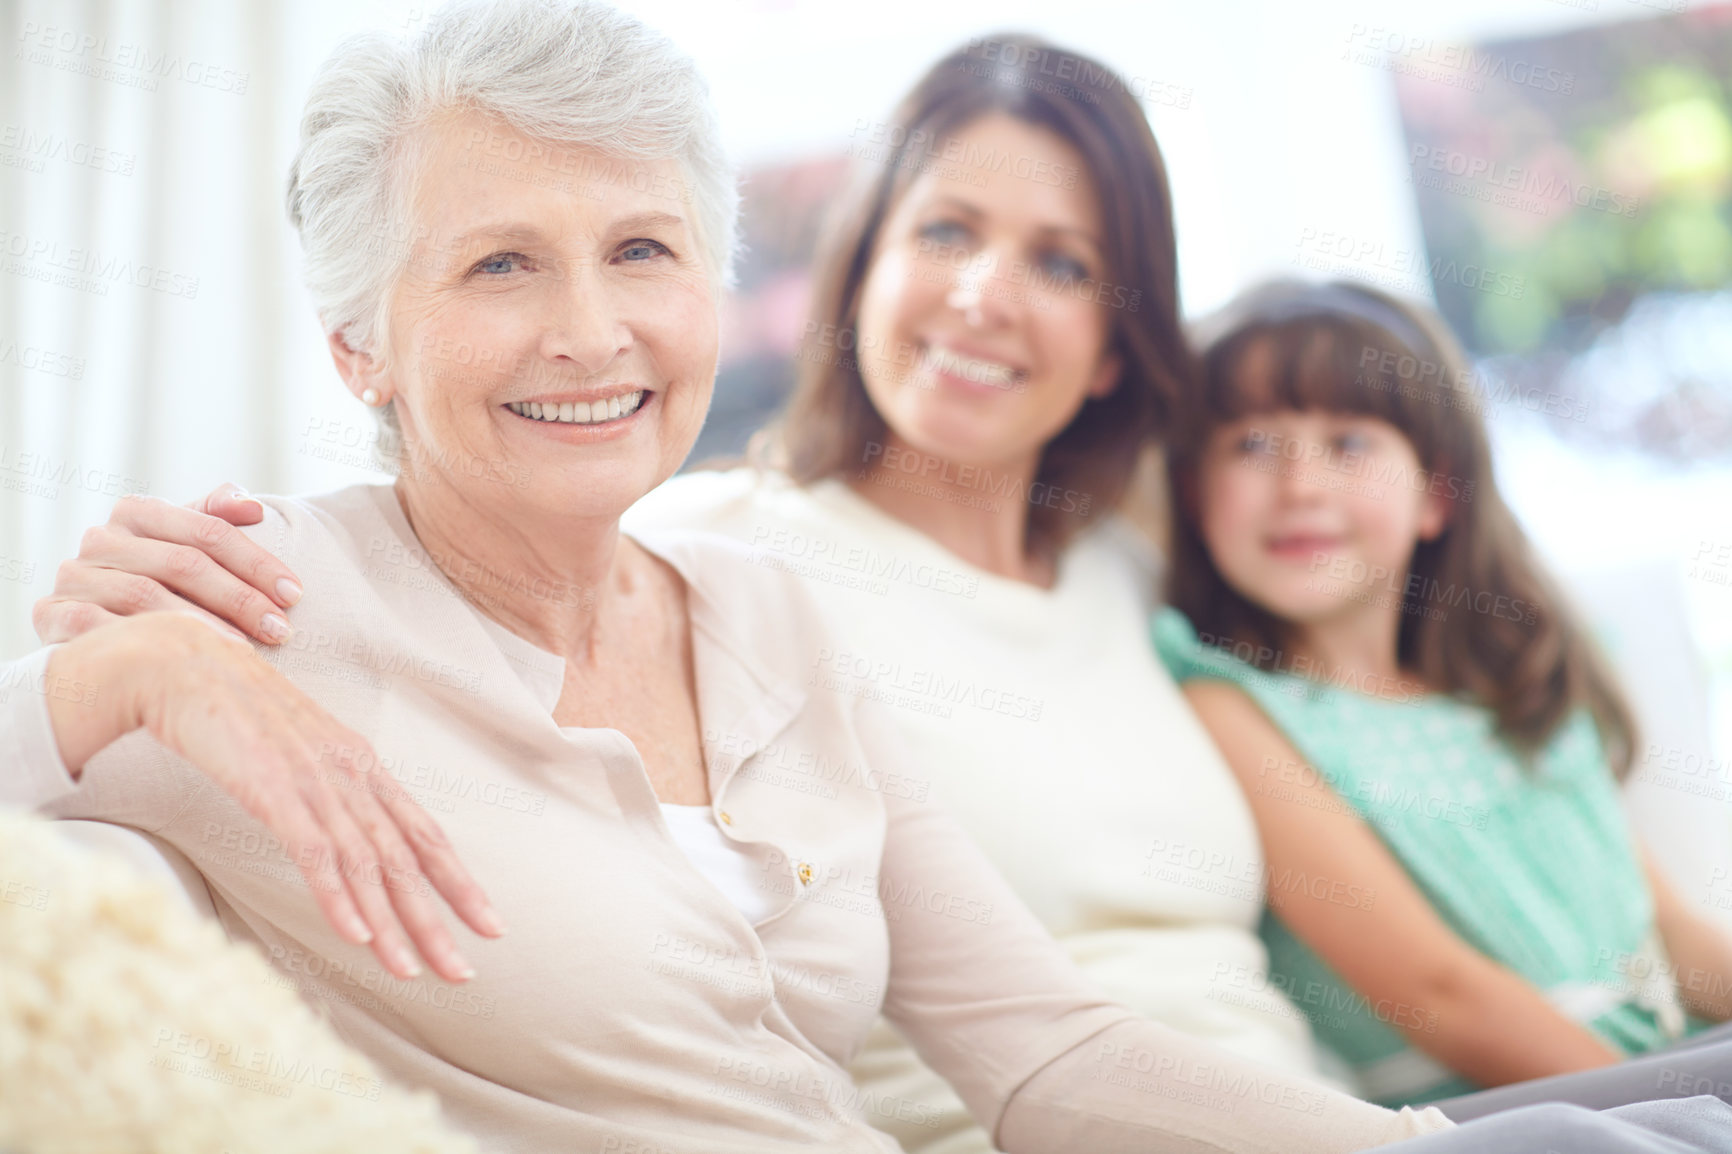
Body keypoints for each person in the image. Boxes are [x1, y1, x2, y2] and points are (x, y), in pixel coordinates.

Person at [0, 3, 1465, 1150]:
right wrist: (126, 673)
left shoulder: (770, 613)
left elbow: (1044, 1051)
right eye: (500, 265)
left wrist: (1438, 1147)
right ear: (358, 345)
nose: (592, 331)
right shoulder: (261, 604)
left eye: (642, 249)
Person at [1151, 278, 1732, 1116]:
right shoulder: (1235, 708)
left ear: (1436, 495)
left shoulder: (1513, 690)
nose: (1300, 485)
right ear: (1193, 490)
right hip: (1518, 1116)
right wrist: (1673, 1106)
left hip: (1663, 1080)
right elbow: (1442, 994)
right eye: (1250, 446)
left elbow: (1672, 934)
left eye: (1348, 443)